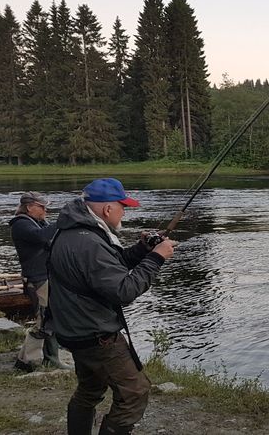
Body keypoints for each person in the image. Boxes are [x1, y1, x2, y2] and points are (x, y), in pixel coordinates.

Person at [47, 178, 175, 435]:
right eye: (123, 206)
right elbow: (123, 291)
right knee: (135, 394)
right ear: (107, 209)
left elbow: (106, 270)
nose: (125, 212)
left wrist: (141, 250)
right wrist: (157, 258)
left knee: (90, 390)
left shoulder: (73, 230)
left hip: (75, 329)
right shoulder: (90, 242)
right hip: (96, 334)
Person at [9, 191, 67, 371]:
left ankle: (33, 359)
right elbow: (42, 237)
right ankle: (38, 359)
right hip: (37, 278)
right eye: (42, 207)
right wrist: (63, 220)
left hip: (45, 276)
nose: (45, 210)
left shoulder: (37, 223)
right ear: (29, 207)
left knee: (50, 317)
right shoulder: (20, 224)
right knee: (45, 320)